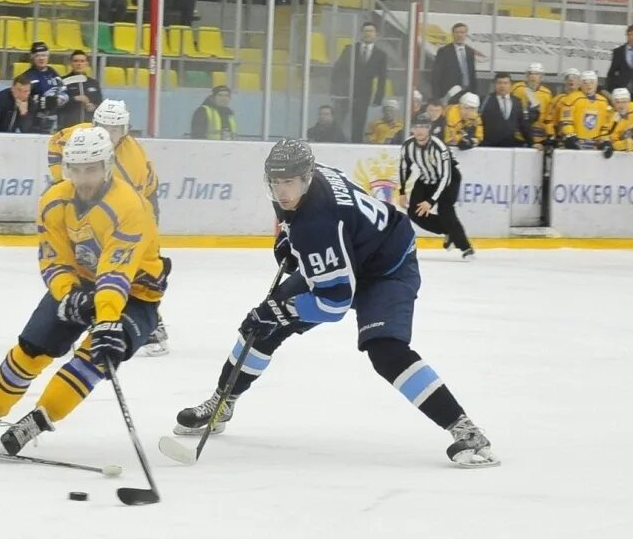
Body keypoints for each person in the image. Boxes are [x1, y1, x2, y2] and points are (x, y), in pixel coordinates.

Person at [173, 139, 497, 468]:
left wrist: (284, 309)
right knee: (259, 327)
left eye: (290, 183)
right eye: (276, 183)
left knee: (386, 350)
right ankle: (222, 402)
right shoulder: (309, 181)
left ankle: (466, 430)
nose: (283, 192)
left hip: (387, 268)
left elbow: (334, 304)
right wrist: (286, 237)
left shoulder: (317, 224)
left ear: (307, 178)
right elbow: (300, 219)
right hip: (350, 252)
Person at [0, 127, 167, 455]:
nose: (83, 178)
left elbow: (116, 273)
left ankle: (38, 420)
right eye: (75, 170)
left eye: (91, 169)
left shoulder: (130, 206)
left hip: (135, 294)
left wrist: (105, 321)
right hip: (82, 284)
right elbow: (54, 259)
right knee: (32, 346)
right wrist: (69, 294)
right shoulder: (53, 200)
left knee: (94, 359)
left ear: (107, 166)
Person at [48, 99, 169, 356]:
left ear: (124, 130)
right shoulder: (82, 137)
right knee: (79, 263)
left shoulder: (132, 158)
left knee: (131, 267)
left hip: (141, 206)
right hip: (95, 205)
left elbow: (132, 206)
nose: (108, 133)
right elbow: (55, 142)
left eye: (115, 129)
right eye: (103, 126)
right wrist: (64, 178)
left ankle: (152, 324)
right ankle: (75, 320)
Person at [399, 113, 473, 257]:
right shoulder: (408, 146)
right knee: (414, 213)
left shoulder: (439, 147)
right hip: (426, 178)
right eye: (416, 127)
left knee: (446, 212)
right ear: (411, 129)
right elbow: (404, 168)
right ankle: (449, 232)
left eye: (424, 127)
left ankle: (465, 247)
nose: (420, 130)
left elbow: (445, 176)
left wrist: (430, 201)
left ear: (429, 129)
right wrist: (402, 191)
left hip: (449, 180)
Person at [332, 22, 387, 143]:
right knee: (338, 119)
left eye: (370, 31)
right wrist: (335, 90)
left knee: (359, 121)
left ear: (376, 34)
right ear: (361, 33)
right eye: (365, 31)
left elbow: (382, 78)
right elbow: (338, 69)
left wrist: (378, 97)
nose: (368, 34)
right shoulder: (350, 49)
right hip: (346, 91)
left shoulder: (381, 55)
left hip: (364, 93)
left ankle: (355, 144)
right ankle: (333, 142)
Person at [18, 42, 68, 134]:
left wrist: (59, 100)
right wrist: (43, 102)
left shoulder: (53, 72)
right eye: (37, 55)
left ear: (48, 56)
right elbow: (20, 99)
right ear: (32, 57)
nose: (41, 58)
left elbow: (64, 91)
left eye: (44, 55)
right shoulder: (27, 77)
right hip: (34, 124)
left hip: (53, 123)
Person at [560, 70, 613, 150]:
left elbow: (605, 126)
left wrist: (605, 141)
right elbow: (566, 121)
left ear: (596, 83)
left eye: (592, 82)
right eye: (585, 82)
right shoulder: (572, 98)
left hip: (595, 145)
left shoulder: (603, 101)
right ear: (580, 84)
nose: (589, 85)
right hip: (576, 143)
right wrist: (570, 136)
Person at [481, 72, 532, 148]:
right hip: (489, 146)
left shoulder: (517, 101)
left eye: (505, 83)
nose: (502, 86)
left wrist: (532, 143)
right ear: (494, 84)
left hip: (510, 145)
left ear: (510, 85)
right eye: (499, 83)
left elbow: (523, 125)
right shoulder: (485, 100)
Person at [431, 22, 477, 104]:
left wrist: (474, 94)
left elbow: (472, 74)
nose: (459, 35)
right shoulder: (444, 51)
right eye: (457, 32)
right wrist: (437, 97)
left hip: (467, 94)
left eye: (462, 32)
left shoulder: (470, 52)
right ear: (452, 34)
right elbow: (436, 76)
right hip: (450, 94)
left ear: (466, 34)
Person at [59, 49, 103, 128]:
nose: (79, 64)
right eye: (76, 61)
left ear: (87, 63)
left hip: (88, 127)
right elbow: (57, 104)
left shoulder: (93, 83)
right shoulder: (63, 81)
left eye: (82, 61)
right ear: (71, 63)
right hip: (68, 127)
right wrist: (75, 98)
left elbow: (100, 104)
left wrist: (93, 107)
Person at [511, 62, 552, 145]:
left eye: (537, 74)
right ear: (526, 76)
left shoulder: (546, 93)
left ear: (541, 76)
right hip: (518, 135)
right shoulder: (517, 88)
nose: (533, 76)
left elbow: (548, 117)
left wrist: (550, 134)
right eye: (531, 73)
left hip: (538, 137)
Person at [543, 67, 581, 143]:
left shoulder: (584, 99)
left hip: (581, 139)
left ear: (580, 82)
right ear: (565, 81)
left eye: (575, 77)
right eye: (568, 77)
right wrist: (551, 136)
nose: (571, 80)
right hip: (561, 140)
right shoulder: (557, 99)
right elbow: (548, 121)